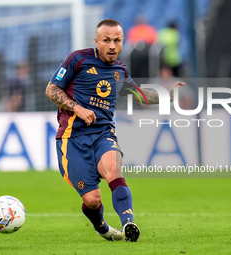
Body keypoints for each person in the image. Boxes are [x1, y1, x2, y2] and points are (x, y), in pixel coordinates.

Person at [45, 19, 185, 242]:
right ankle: (102, 228)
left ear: (122, 42)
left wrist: (166, 97)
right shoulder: (78, 59)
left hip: (103, 133)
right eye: (107, 40)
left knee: (113, 170)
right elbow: (52, 89)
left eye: (117, 40)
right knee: (92, 200)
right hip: (73, 138)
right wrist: (78, 109)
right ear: (97, 41)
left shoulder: (119, 70)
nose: (112, 45)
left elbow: (137, 94)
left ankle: (128, 222)